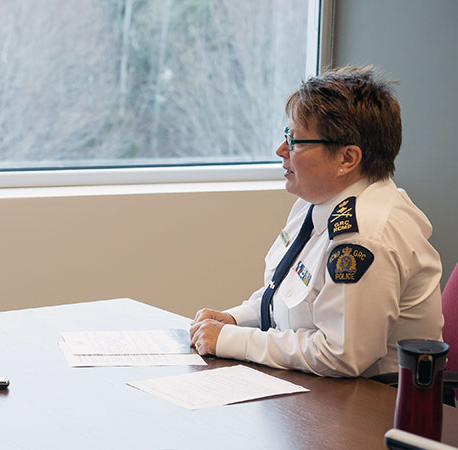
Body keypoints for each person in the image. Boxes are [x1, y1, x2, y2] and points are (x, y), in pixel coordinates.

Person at [189, 66, 443, 378]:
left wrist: (231, 340)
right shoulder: (316, 204)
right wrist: (235, 320)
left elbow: (341, 355)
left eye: (295, 140)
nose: (281, 150)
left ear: (347, 159)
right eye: (286, 135)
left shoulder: (363, 235)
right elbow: (289, 300)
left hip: (375, 406)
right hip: (321, 391)